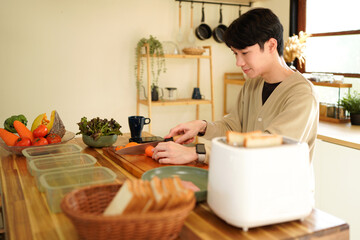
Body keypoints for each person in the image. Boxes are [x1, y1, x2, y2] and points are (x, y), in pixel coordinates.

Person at [152, 8, 319, 165]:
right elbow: (233, 128)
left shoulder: (302, 94)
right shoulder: (252, 84)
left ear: (271, 45)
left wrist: (198, 152)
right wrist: (202, 127)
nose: (238, 62)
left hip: (281, 192)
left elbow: (271, 146)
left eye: (245, 53)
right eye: (235, 54)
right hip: (244, 182)